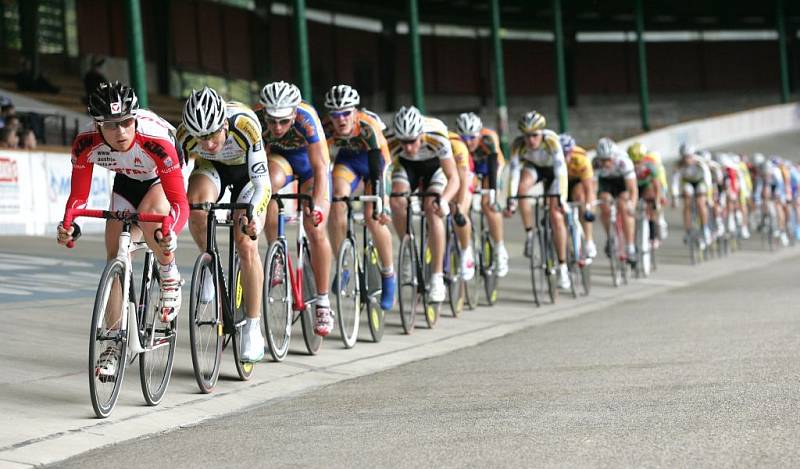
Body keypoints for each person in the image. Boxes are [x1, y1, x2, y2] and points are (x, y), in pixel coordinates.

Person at [56, 81, 189, 380]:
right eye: (111, 126)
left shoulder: (155, 139)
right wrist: (69, 224)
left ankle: (169, 277)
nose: (122, 133)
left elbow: (180, 202)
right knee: (116, 255)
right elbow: (78, 197)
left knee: (154, 219)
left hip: (161, 177)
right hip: (127, 179)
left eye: (127, 123)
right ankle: (113, 346)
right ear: (97, 125)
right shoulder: (85, 142)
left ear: (135, 117)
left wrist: (171, 232)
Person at [177, 86, 272, 362]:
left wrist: (254, 214)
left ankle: (253, 327)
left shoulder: (245, 124)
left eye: (213, 134)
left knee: (246, 244)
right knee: (195, 204)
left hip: (246, 175)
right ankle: (208, 262)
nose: (207, 144)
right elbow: (172, 181)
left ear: (223, 124)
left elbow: (261, 183)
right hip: (212, 170)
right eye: (201, 137)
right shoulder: (183, 136)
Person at [255, 81, 335, 336]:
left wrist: (319, 206)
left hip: (311, 168)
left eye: (283, 122)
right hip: (282, 161)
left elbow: (321, 167)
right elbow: (257, 162)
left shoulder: (307, 118)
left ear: (293, 114)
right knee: (266, 187)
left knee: (316, 227)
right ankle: (276, 253)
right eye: (272, 121)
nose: (277, 127)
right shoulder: (256, 116)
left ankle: (323, 301)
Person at [322, 84, 396, 311]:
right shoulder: (326, 128)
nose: (341, 119)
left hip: (376, 164)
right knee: (336, 201)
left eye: (346, 113)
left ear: (355, 112)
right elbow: (319, 162)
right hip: (349, 162)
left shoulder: (368, 127)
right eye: (335, 115)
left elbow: (380, 169)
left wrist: (382, 203)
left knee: (373, 217)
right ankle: (343, 265)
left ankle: (388, 273)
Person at [388, 106, 460, 303]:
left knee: (432, 207)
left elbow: (453, 177)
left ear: (421, 133)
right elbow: (381, 174)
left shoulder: (437, 135)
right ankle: (408, 251)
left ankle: (437, 277)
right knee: (396, 201)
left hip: (434, 167)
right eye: (404, 142)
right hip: (407, 168)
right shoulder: (391, 141)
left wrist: (444, 200)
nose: (409, 148)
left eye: (412, 141)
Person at [506, 111, 571, 289]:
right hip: (534, 168)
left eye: (534, 135)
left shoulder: (551, 141)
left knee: (555, 215)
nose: (531, 140)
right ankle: (530, 233)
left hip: (554, 173)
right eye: (527, 136)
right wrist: (511, 200)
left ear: (541, 133)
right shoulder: (518, 145)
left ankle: (563, 266)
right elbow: (513, 173)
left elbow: (561, 172)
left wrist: (562, 200)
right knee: (521, 190)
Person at [455, 112, 509, 277]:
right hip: (468, 167)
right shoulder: (457, 143)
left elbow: (494, 167)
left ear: (479, 134)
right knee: (463, 198)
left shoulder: (489, 139)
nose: (468, 142)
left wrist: (492, 194)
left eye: (472, 137)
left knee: (488, 204)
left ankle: (500, 249)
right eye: (464, 137)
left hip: (489, 167)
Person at [594, 137, 638, 263]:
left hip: (621, 182)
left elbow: (632, 188)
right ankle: (610, 237)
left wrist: (632, 205)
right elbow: (593, 187)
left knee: (625, 205)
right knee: (604, 202)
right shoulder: (595, 164)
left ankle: (630, 247)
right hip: (606, 182)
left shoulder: (623, 162)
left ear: (614, 156)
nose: (605, 163)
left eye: (608, 160)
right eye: (602, 160)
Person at [561, 133, 597, 258]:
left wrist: (588, 208)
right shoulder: (552, 158)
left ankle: (588, 240)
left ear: (571, 152)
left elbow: (589, 188)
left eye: (566, 154)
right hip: (561, 182)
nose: (563, 157)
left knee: (581, 197)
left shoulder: (581, 159)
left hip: (577, 181)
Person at [447, 129, 476, 280]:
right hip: (444, 173)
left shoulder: (457, 145)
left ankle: (466, 252)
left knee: (459, 214)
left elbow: (464, 179)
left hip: (464, 173)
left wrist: (459, 205)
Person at [671, 143, 712, 247]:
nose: (687, 160)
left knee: (700, 203)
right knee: (686, 200)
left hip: (700, 182)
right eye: (684, 157)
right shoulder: (678, 165)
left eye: (689, 157)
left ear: (693, 155)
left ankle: (705, 227)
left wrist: (709, 196)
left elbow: (708, 179)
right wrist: (675, 197)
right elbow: (674, 181)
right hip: (687, 182)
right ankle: (688, 230)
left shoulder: (700, 162)